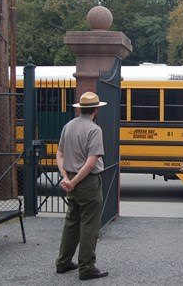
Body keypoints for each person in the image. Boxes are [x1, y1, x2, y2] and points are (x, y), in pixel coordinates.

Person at [55, 91, 109, 281]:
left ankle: (63, 262)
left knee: (72, 221)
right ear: (96, 109)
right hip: (86, 182)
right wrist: (75, 181)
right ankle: (87, 267)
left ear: (80, 108)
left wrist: (66, 178)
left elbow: (59, 155)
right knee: (89, 224)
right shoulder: (94, 130)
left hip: (70, 178)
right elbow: (91, 163)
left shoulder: (68, 126)